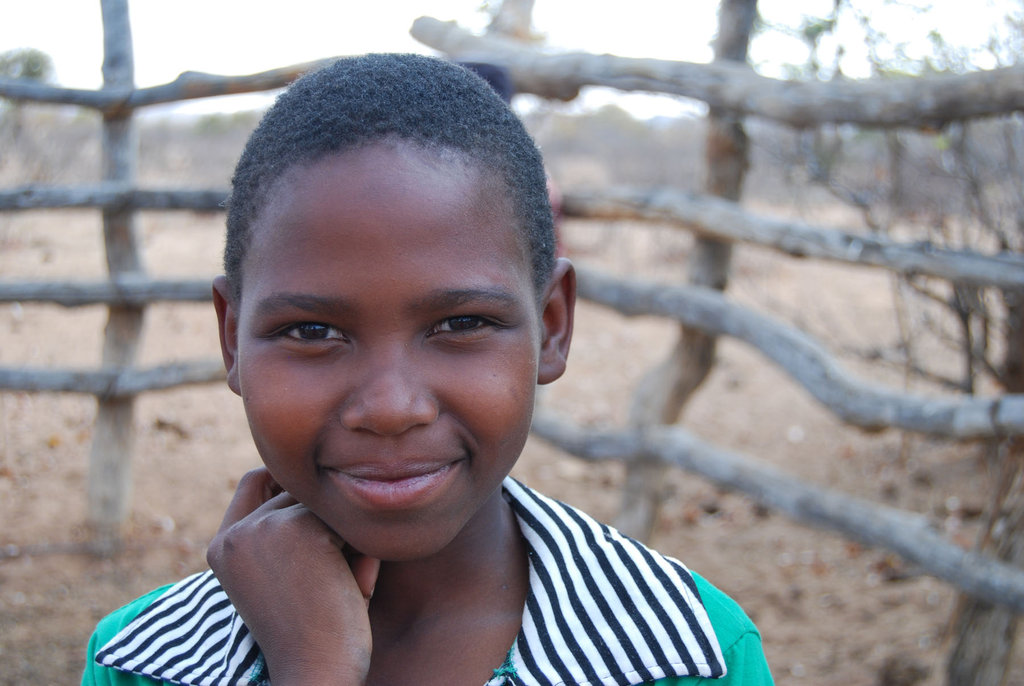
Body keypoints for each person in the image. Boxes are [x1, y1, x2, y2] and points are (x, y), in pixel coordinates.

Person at [82, 54, 773, 686]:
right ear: (232, 339)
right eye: (312, 331)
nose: (389, 407)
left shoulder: (691, 656)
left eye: (461, 324)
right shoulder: (141, 662)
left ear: (552, 327)